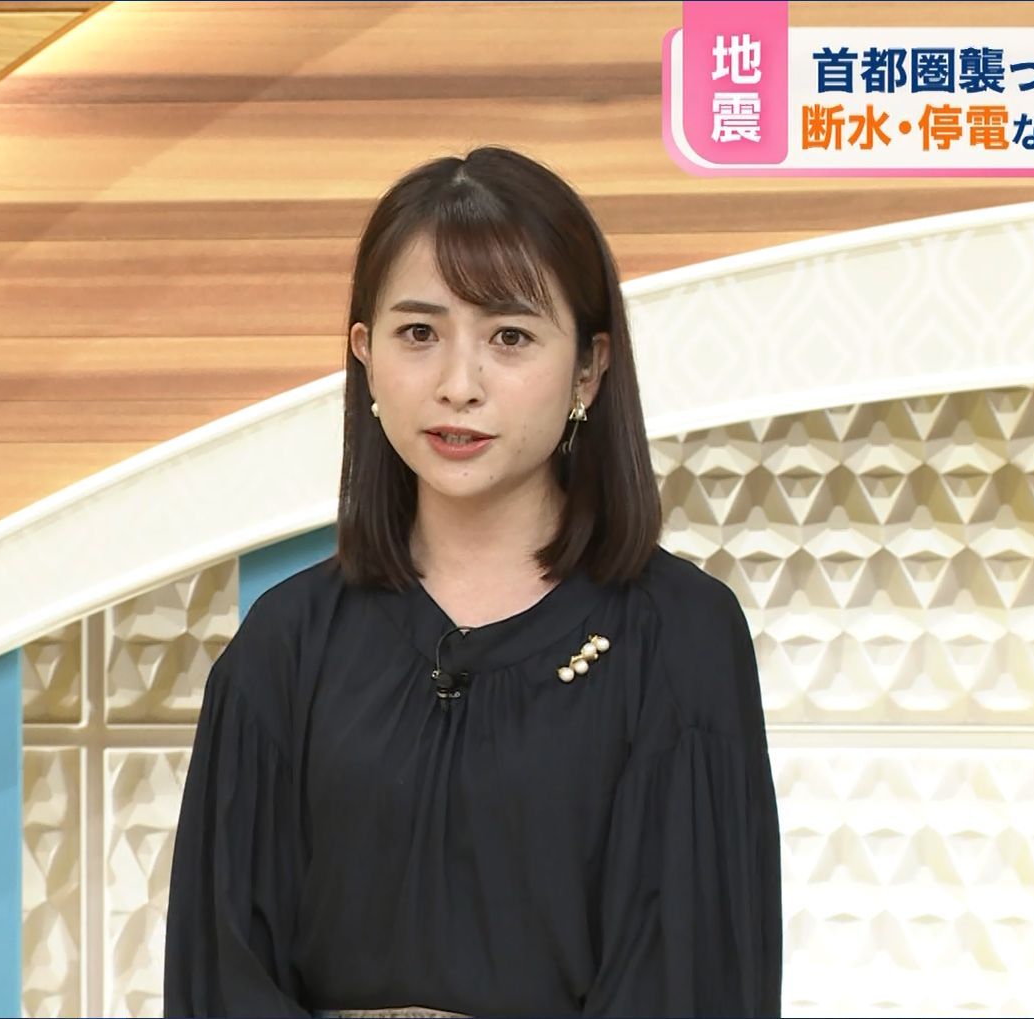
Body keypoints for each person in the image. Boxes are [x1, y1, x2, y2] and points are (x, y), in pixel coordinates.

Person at [165, 146, 782, 1018]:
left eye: (510, 337)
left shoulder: (680, 636)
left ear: (590, 367)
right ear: (365, 355)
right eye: (419, 334)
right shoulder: (284, 643)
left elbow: (692, 977)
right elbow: (218, 975)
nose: (459, 385)